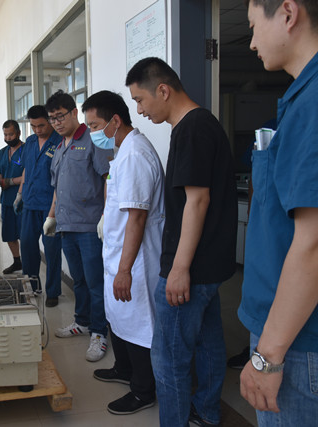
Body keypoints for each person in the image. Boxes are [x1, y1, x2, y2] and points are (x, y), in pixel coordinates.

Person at [126, 57, 237, 427]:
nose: (140, 111)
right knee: (207, 344)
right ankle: (205, 413)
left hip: (190, 268)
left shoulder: (192, 129)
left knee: (169, 358)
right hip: (209, 266)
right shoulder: (200, 125)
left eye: (140, 100)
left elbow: (197, 201)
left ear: (163, 90)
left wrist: (179, 268)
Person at [238, 1, 318, 424]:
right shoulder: (300, 99)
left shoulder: (313, 103)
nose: (251, 43)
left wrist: (267, 357)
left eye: (254, 26)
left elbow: (313, 244)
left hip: (297, 343)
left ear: (287, 13)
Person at [83, 90, 165, 415]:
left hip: (136, 260)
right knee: (118, 317)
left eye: (95, 126)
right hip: (118, 252)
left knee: (138, 322)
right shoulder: (123, 150)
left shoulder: (135, 154)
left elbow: (138, 216)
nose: (92, 133)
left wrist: (125, 269)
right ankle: (124, 369)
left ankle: (143, 390)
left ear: (115, 121)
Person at [45, 90, 112, 362]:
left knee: (95, 282)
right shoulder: (59, 147)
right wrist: (51, 216)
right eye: (52, 119)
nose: (56, 123)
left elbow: (108, 178)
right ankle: (82, 321)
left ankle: (99, 332)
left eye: (60, 116)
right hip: (66, 226)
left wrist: (106, 214)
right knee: (79, 280)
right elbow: (57, 187)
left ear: (74, 112)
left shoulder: (93, 140)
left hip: (89, 227)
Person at [16, 105, 63, 307]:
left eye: (41, 125)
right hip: (30, 203)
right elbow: (26, 169)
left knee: (51, 249)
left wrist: (53, 212)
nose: (37, 130)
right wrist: (19, 193)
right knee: (27, 245)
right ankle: (31, 286)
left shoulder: (60, 142)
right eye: (33, 126)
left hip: (50, 205)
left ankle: (53, 291)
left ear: (50, 121)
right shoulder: (30, 142)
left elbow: (62, 177)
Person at [0, 120, 24, 274]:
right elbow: (0, 174)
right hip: (7, 200)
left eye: (11, 134)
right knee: (9, 233)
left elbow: (28, 176)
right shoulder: (3, 152)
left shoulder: (26, 151)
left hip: (23, 200)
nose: (8, 138)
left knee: (25, 234)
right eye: (5, 135)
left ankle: (28, 262)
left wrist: (9, 181)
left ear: (18, 133)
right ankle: (17, 261)